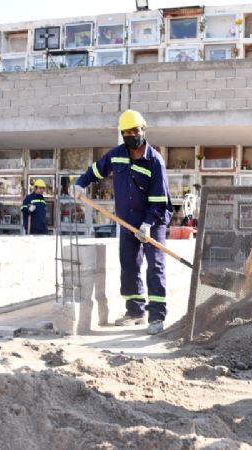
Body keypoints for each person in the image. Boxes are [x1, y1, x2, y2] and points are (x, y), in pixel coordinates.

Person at [74, 109, 173, 335]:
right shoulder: (116, 154)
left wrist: (147, 224)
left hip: (153, 222)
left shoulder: (155, 161)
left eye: (135, 131)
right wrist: (80, 183)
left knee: (155, 267)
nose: (131, 135)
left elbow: (159, 201)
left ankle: (157, 316)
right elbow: (95, 170)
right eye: (126, 132)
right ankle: (135, 311)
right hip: (127, 221)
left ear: (143, 130)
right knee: (129, 265)